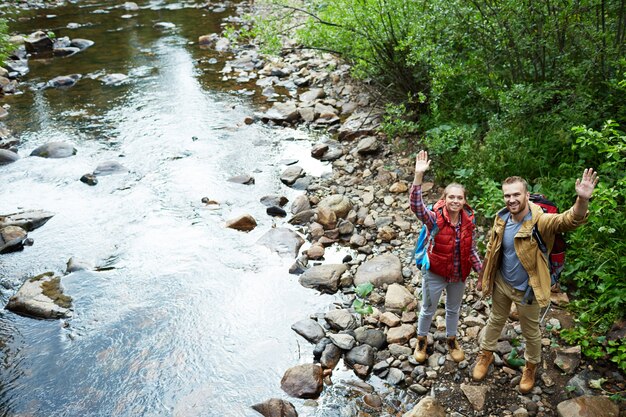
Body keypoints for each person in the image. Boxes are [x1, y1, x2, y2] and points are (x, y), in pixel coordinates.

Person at [472, 168, 598, 394]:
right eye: (507, 195)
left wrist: (582, 198)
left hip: (528, 290)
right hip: (502, 283)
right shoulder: (501, 218)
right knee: (495, 320)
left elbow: (569, 220)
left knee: (530, 332)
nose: (511, 200)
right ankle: (486, 354)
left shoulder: (541, 221)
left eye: (516, 195)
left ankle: (530, 367)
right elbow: (492, 249)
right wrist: (483, 277)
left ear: (527, 195)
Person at [410, 150, 483, 364]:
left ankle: (452, 340)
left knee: (453, 309)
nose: (455, 201)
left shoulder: (469, 221)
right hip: (435, 272)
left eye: (459, 197)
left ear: (464, 200)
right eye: (451, 197)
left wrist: (482, 273)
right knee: (428, 309)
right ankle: (421, 339)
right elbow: (416, 207)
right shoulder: (434, 218)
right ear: (445, 198)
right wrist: (418, 176)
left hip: (459, 274)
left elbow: (471, 250)